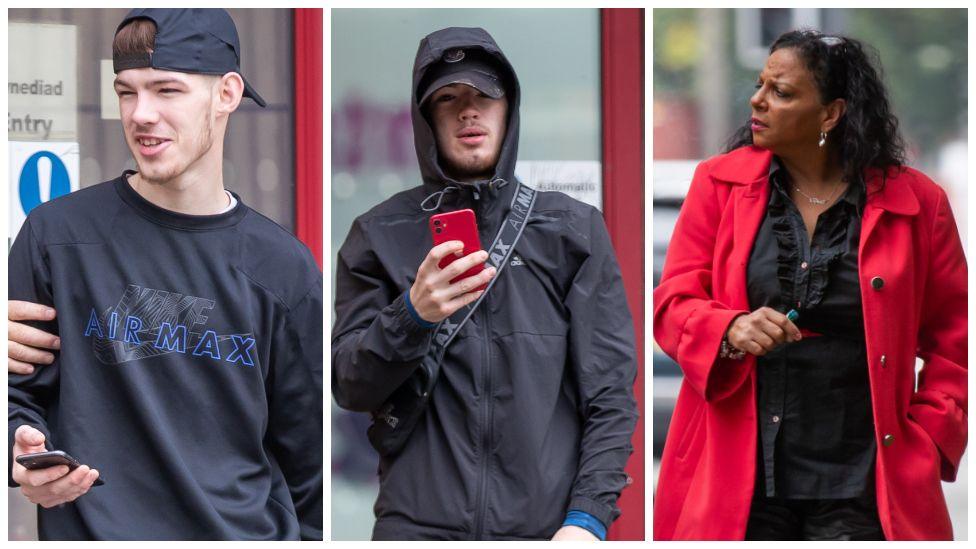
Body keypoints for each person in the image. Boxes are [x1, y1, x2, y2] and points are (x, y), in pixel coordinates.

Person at [7, 9, 323, 540]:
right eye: (126, 92)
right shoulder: (56, 239)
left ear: (226, 94)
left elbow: (308, 467)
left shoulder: (283, 267)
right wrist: (19, 450)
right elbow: (17, 398)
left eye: (166, 90)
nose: (141, 114)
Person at [653, 30, 967, 541]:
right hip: (738, 471)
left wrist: (929, 439)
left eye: (781, 91)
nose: (757, 100)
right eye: (759, 85)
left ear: (831, 113)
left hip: (865, 478)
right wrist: (729, 327)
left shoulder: (919, 204)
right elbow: (672, 303)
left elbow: (954, 343)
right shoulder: (718, 184)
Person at [331, 27, 638, 540]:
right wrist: (412, 316)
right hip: (417, 528)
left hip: (545, 530)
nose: (467, 111)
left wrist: (588, 518)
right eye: (447, 99)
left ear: (508, 108)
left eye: (483, 96)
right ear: (426, 119)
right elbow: (351, 384)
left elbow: (610, 395)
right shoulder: (378, 234)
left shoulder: (571, 230)